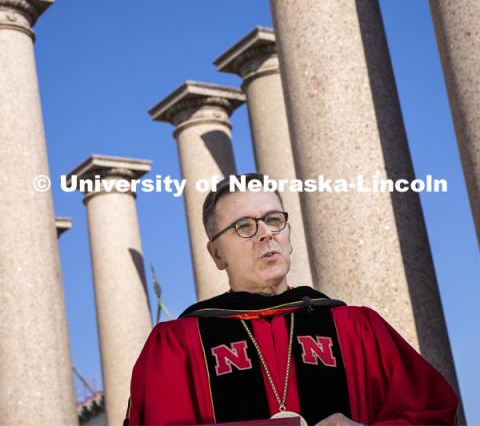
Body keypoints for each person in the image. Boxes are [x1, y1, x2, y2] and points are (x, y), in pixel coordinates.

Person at [124, 173, 458, 426]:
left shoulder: (355, 328)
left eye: (273, 220)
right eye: (244, 226)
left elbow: (434, 414)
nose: (266, 233)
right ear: (216, 254)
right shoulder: (178, 345)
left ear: (288, 234)